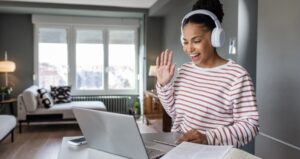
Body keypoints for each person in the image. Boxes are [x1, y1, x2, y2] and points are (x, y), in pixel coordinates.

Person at [155, 0, 259, 147]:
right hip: (181, 151)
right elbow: (176, 114)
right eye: (185, 42)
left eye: (196, 41)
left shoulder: (237, 76)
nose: (189, 48)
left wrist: (208, 138)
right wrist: (164, 85)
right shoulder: (185, 70)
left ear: (216, 37)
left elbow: (250, 125)